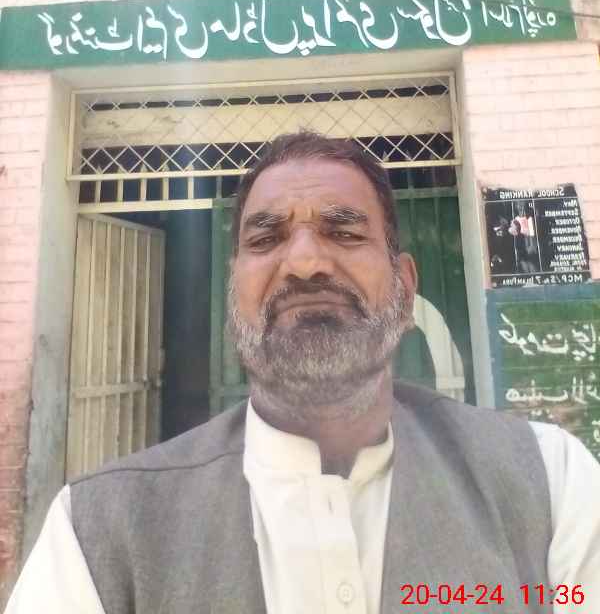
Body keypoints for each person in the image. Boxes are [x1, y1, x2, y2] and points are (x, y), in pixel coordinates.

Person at [5, 130, 600, 614]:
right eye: (267, 238)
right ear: (233, 295)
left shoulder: (550, 483)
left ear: (405, 287)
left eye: (345, 232)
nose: (306, 262)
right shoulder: (95, 531)